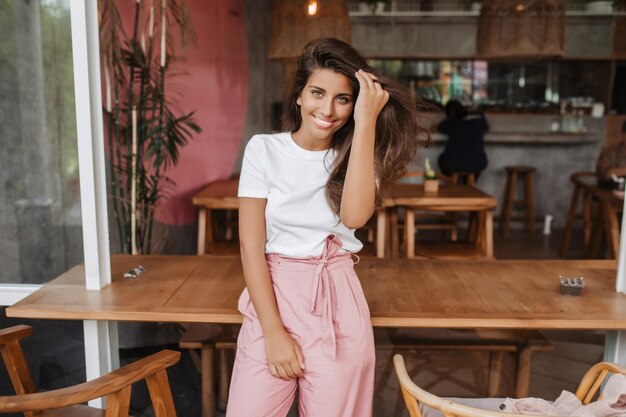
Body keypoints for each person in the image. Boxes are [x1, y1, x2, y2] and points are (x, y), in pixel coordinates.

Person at [226, 38, 427, 417]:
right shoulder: (263, 150)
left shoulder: (359, 155)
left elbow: (353, 218)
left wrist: (367, 122)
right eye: (318, 92)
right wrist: (273, 331)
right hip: (273, 296)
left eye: (344, 99)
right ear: (299, 95)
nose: (328, 109)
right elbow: (251, 246)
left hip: (337, 300)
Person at [437, 99, 489, 180]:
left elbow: (439, 127)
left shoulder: (452, 121)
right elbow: (486, 128)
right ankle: (469, 186)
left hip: (452, 164)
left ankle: (455, 186)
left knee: (443, 160)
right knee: (472, 165)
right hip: (478, 163)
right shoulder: (479, 117)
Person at [596, 120, 626, 189]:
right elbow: (603, 174)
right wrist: (621, 171)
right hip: (611, 188)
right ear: (623, 134)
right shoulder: (610, 152)